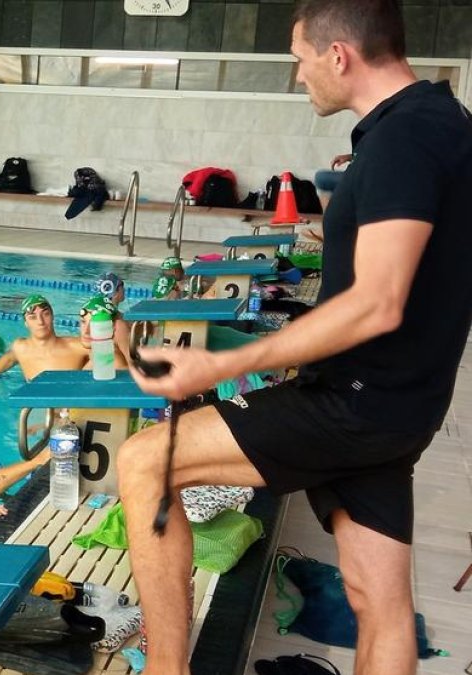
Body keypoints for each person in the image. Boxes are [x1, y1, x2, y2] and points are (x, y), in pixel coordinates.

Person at [118, 3, 472, 674]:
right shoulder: (443, 124)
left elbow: (377, 302)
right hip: (399, 406)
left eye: (301, 58)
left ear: (340, 56)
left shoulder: (406, 139)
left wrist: (220, 363)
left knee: (143, 463)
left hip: (353, 403)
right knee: (380, 602)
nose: (298, 74)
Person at [0, 294, 90, 380]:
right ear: (25, 323)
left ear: (52, 316)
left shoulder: (78, 347)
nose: (40, 322)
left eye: (45, 314)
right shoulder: (20, 348)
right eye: (33, 317)